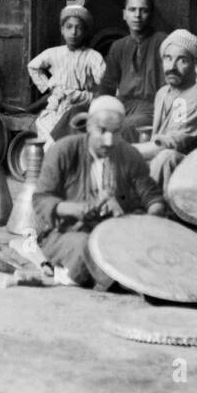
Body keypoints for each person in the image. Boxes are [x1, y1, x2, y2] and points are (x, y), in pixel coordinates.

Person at [30, 96, 166, 287]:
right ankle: (126, 284)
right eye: (101, 131)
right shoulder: (63, 151)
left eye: (116, 132)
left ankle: (131, 277)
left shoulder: (130, 155)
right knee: (86, 246)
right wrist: (74, 209)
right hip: (67, 233)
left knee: (146, 246)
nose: (109, 140)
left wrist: (143, 219)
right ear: (88, 126)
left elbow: (152, 198)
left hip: (115, 232)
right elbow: (40, 199)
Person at [134, 29, 197, 191]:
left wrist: (125, 151)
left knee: (166, 157)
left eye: (182, 60)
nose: (172, 67)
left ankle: (157, 209)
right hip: (165, 163)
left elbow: (169, 146)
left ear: (196, 66)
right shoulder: (163, 93)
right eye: (168, 58)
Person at [26, 4, 107, 143]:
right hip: (56, 105)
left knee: (72, 134)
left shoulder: (92, 57)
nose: (73, 32)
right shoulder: (54, 53)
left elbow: (107, 85)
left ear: (85, 31)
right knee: (44, 129)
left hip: (80, 105)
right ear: (62, 30)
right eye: (69, 27)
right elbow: (33, 66)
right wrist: (48, 87)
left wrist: (88, 97)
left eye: (79, 28)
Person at [96, 0, 167, 141]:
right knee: (78, 117)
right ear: (124, 14)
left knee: (124, 127)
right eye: (132, 9)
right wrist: (96, 107)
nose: (137, 15)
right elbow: (107, 85)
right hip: (123, 105)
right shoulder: (118, 46)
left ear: (151, 15)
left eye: (143, 10)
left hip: (151, 108)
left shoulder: (162, 42)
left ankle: (112, 163)